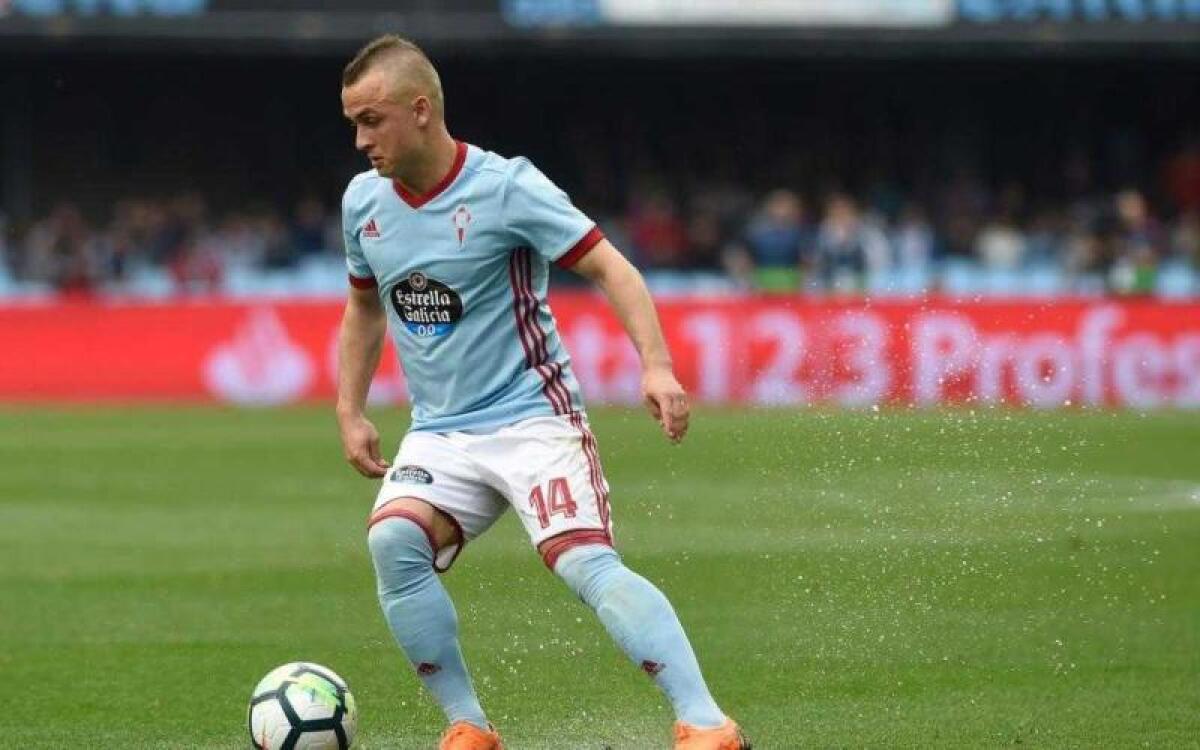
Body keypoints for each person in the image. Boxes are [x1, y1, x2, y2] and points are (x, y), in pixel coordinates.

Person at [335, 35, 749, 750]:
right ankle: (468, 726)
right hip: (441, 432)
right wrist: (350, 409)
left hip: (534, 418)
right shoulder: (363, 205)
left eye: (372, 120)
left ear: (421, 110)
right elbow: (366, 307)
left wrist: (655, 366)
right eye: (353, 124)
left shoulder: (505, 188)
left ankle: (707, 724)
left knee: (584, 562)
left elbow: (613, 269)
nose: (361, 140)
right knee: (393, 542)